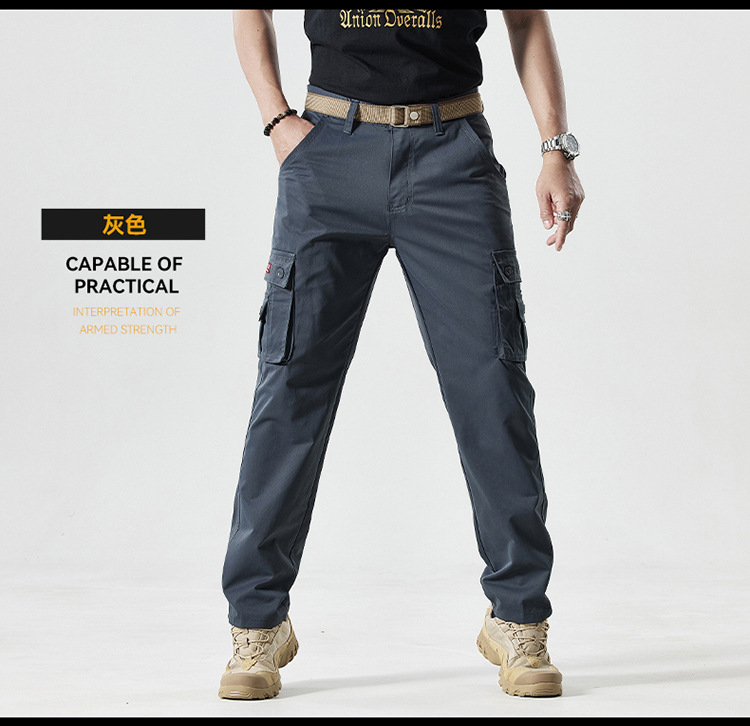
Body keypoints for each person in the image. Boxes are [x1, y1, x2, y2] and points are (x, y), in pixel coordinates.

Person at [219, 9, 584, 700]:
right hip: (328, 151)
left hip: (453, 156)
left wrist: (554, 148)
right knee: (290, 389)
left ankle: (518, 618)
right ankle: (256, 624)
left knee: (493, 389)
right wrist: (277, 121)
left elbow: (526, 18)